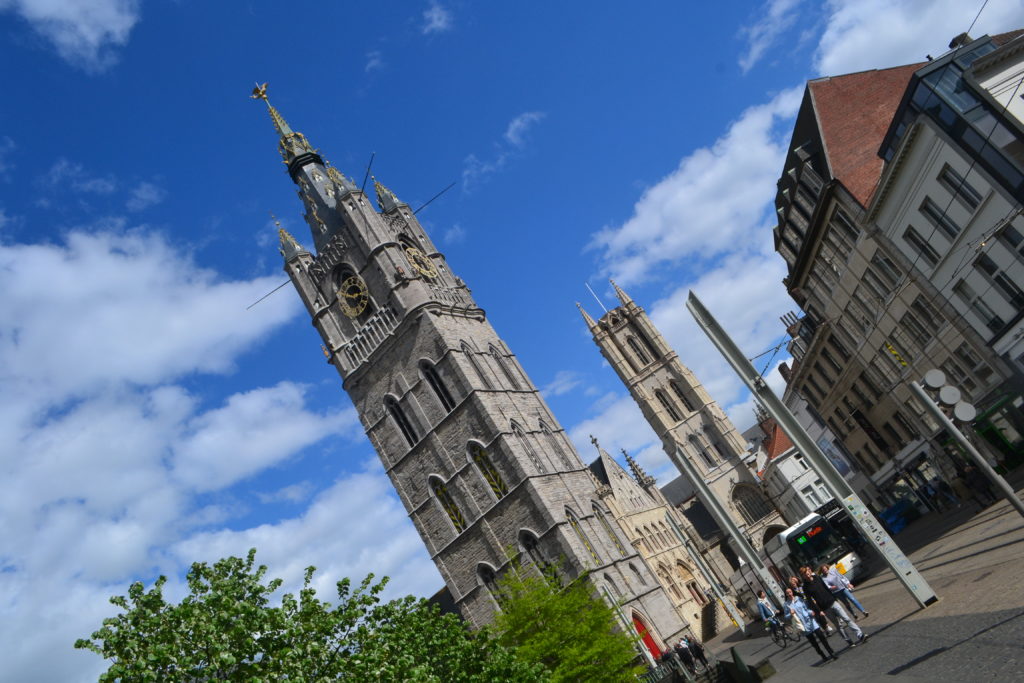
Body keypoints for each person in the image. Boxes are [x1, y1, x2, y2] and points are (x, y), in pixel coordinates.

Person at [800, 566, 865, 648]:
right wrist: (819, 611)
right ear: (803, 576)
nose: (807, 574)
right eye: (805, 574)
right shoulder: (805, 587)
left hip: (833, 602)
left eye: (807, 572)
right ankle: (848, 640)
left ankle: (860, 635)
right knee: (838, 625)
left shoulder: (817, 578)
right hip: (824, 608)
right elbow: (810, 601)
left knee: (846, 618)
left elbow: (826, 588)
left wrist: (834, 598)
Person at [785, 587, 837, 664]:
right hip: (803, 626)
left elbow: (806, 608)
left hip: (811, 621)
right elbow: (786, 616)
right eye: (787, 593)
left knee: (822, 637)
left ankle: (831, 652)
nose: (789, 594)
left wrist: (810, 612)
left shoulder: (799, 599)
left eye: (790, 592)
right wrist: (790, 613)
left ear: (792, 592)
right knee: (814, 643)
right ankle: (822, 655)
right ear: (786, 594)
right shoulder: (786, 604)